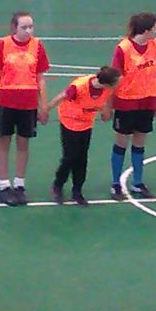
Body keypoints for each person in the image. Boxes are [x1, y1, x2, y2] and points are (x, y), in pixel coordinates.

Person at [0, 11, 50, 206]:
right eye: (24, 27)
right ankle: (4, 185)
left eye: (31, 27)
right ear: (14, 28)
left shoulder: (37, 46)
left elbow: (40, 79)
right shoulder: (3, 45)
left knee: (23, 143)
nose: (28, 31)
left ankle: (20, 184)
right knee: (4, 142)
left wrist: (44, 105)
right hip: (7, 102)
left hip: (28, 103)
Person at [109, 12, 156, 201]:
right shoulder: (123, 48)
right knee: (121, 143)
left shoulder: (155, 45)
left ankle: (137, 183)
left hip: (147, 101)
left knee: (140, 143)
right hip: (126, 102)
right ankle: (116, 184)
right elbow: (114, 79)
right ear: (146, 30)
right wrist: (108, 105)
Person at [49, 66, 121, 206]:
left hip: (86, 123)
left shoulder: (107, 90)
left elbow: (105, 103)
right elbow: (62, 96)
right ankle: (58, 185)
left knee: (82, 158)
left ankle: (77, 190)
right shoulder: (79, 86)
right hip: (69, 121)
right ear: (107, 83)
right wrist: (46, 109)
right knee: (70, 156)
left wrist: (106, 112)